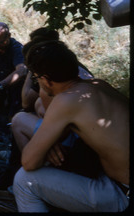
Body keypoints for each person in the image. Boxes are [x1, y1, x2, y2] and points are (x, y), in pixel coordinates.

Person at [13, 40, 129, 212]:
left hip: (122, 192)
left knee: (23, 180)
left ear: (46, 80)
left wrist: (42, 146)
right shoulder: (99, 85)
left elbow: (29, 162)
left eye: (37, 79)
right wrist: (48, 144)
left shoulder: (66, 100)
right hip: (119, 182)